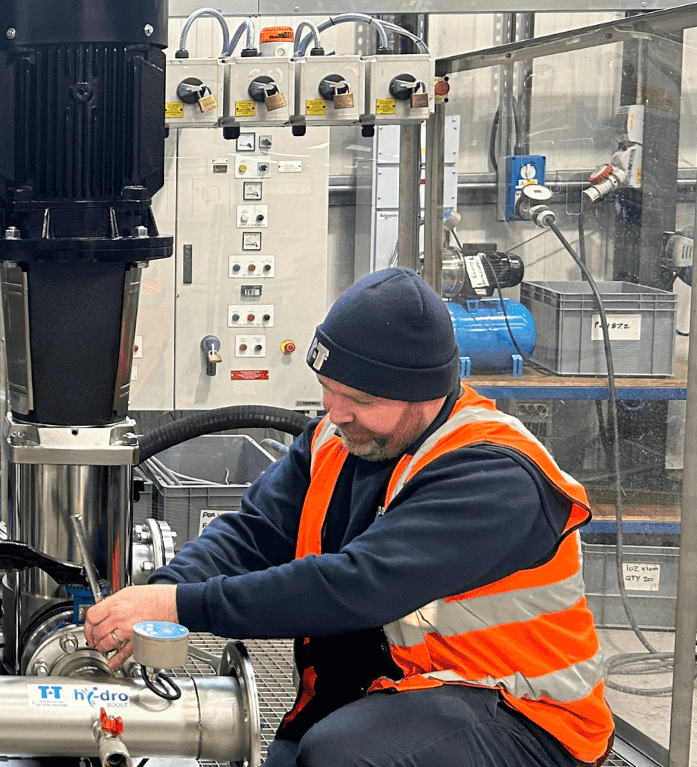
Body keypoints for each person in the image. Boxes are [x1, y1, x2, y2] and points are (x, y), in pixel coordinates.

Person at [85, 268, 612, 767]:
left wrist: (179, 606)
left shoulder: (493, 475)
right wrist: (158, 596)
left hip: (521, 714)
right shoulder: (336, 442)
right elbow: (252, 534)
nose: (335, 414)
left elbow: (357, 585)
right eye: (328, 389)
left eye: (357, 399)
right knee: (300, 753)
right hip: (399, 692)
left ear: (426, 393)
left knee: (341, 756)